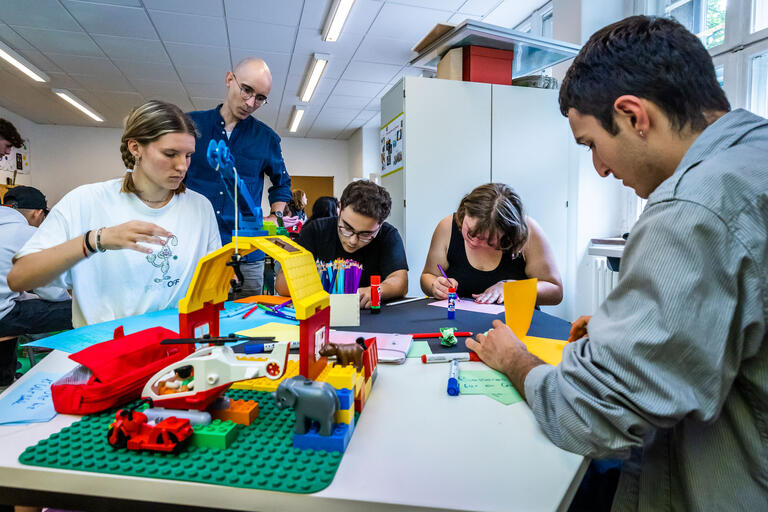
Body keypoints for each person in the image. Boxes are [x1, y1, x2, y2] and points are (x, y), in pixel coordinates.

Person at [466, 16, 768, 511]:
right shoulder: (753, 158)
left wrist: (513, 359)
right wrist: (620, 334)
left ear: (633, 116)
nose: (601, 168)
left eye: (590, 145)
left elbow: (588, 412)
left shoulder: (694, 210)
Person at [8, 100, 221, 328]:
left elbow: (210, 284)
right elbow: (19, 278)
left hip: (177, 349)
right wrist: (96, 240)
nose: (182, 166)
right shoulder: (85, 201)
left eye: (188, 155)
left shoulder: (200, 208)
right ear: (135, 147)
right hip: (106, 349)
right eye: (170, 154)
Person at [185, 57, 292, 298]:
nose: (251, 102)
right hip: (196, 248)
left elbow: (282, 184)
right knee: (195, 322)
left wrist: (276, 215)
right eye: (246, 90)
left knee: (247, 326)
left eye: (261, 98)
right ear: (229, 79)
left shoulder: (267, 139)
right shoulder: (189, 125)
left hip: (247, 255)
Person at [420, 183, 562, 305]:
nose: (474, 242)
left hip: (513, 326)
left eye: (487, 240)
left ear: (509, 234)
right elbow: (428, 275)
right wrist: (435, 286)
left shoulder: (529, 232)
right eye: (469, 232)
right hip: (457, 323)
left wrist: (513, 289)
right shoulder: (447, 227)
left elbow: (555, 292)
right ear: (465, 212)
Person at [275, 181, 407, 308]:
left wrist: (377, 291)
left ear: (380, 224)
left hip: (370, 316)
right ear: (340, 207)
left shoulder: (388, 235)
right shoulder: (315, 230)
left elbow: (400, 282)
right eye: (347, 228)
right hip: (321, 314)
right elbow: (282, 284)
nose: (353, 241)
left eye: (365, 234)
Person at [1, 186, 72, 386]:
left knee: (16, 302)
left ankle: (5, 376)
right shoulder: (25, 232)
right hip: (3, 317)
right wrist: (69, 300)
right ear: (37, 213)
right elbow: (50, 289)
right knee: (77, 308)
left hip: (5, 306)